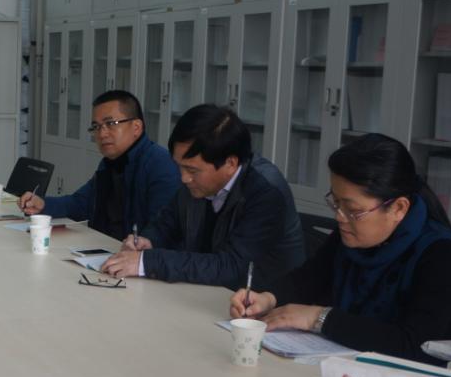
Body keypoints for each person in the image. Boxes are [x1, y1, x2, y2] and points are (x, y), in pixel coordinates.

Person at [229, 133, 451, 363]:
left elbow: (414, 345)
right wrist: (267, 298)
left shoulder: (442, 256)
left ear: (398, 208)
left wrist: (318, 318)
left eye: (353, 210)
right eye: (336, 203)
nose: (340, 217)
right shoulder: (354, 233)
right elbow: (309, 278)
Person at [100, 104, 304, 288]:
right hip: (208, 292)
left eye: (192, 170)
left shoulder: (265, 192)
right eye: (179, 166)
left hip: (262, 304)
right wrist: (148, 241)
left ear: (230, 163)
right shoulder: (197, 181)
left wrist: (147, 262)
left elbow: (232, 267)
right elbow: (167, 223)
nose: (184, 178)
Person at [18, 90, 179, 240]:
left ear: (136, 127)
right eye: (96, 127)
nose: (102, 134)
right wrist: (43, 204)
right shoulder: (110, 163)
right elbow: (80, 203)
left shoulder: (161, 165)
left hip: (136, 256)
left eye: (111, 123)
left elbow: (162, 231)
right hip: (102, 248)